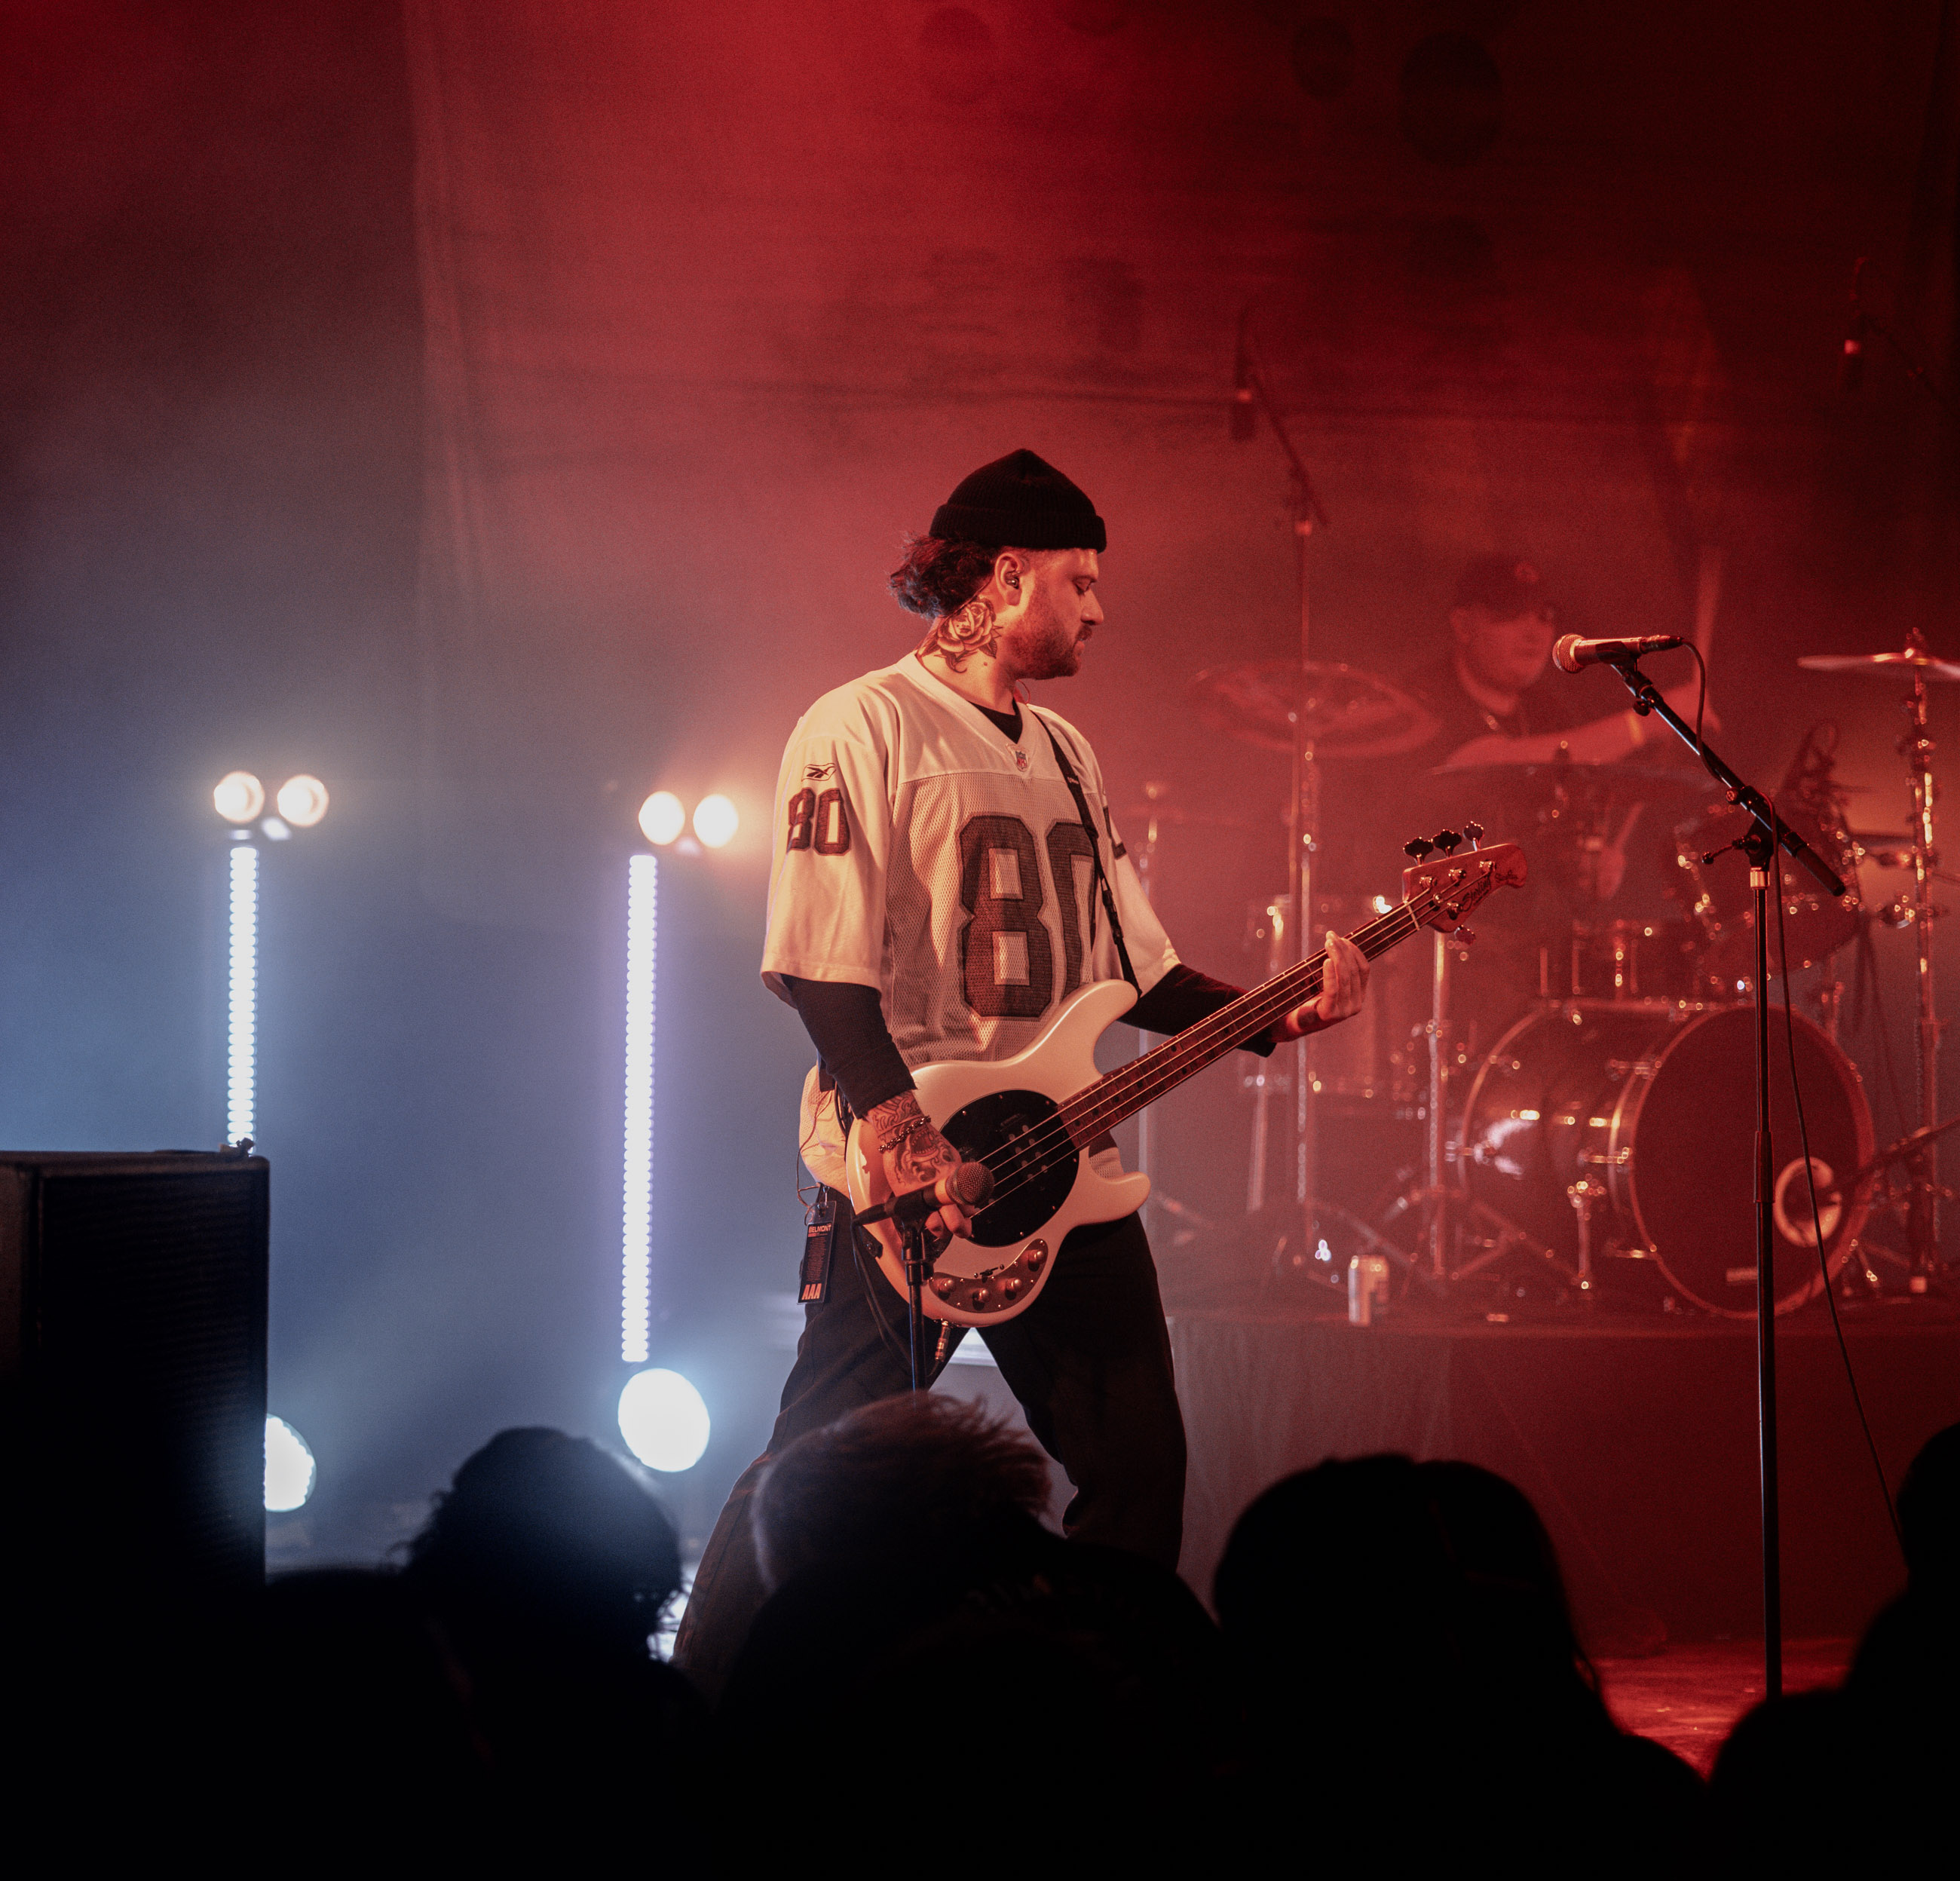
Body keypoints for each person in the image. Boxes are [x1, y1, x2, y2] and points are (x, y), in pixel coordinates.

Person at [672, 448, 1370, 1696]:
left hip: (1063, 1168)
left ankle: (1107, 1722)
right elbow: (822, 965)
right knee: (819, 1464)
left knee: (1137, 1468)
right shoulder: (858, 725)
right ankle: (700, 1708)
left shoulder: (1067, 753)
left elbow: (1136, 974)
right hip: (920, 1172)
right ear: (1004, 576)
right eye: (1081, 580)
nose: (1100, 608)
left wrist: (1281, 1013)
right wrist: (900, 1127)